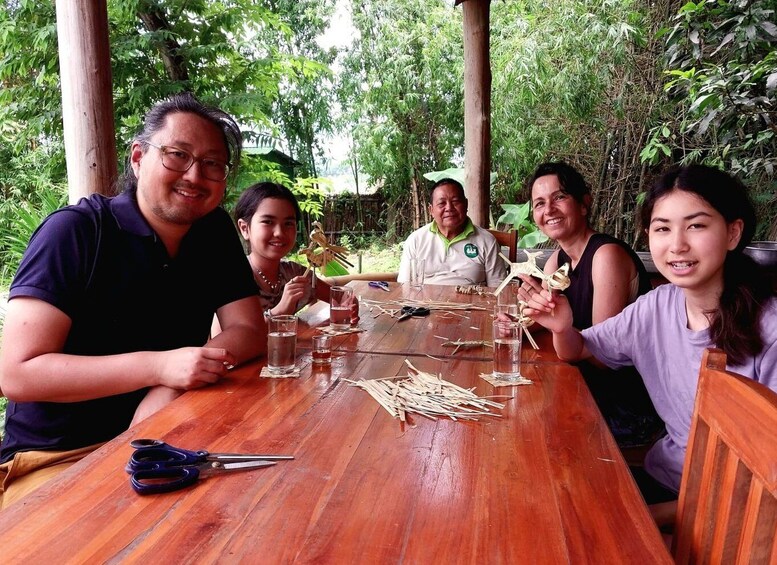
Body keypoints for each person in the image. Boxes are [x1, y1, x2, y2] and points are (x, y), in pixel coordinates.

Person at [0, 92, 265, 508]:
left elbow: (249, 329)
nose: (195, 176)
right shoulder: (75, 232)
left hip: (169, 432)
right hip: (58, 455)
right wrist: (159, 367)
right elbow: (18, 373)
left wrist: (170, 385)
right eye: (178, 155)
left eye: (212, 164)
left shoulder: (212, 231)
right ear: (139, 158)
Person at [519, 164, 777, 507]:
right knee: (538, 488)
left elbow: (761, 488)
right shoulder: (657, 307)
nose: (677, 245)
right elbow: (580, 348)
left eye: (696, 226)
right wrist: (562, 327)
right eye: (662, 229)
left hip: (725, 510)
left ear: (732, 233)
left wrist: (652, 520)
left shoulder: (769, 328)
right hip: (665, 478)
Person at [526, 162, 662, 448]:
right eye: (539, 203)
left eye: (559, 197)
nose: (548, 209)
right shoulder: (557, 259)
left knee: (532, 430)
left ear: (584, 204)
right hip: (581, 385)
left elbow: (602, 356)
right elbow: (546, 318)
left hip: (620, 405)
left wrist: (558, 327)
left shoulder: (606, 255)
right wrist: (519, 321)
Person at [225, 181, 359, 322]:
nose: (279, 233)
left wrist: (350, 303)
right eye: (268, 222)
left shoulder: (294, 273)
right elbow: (225, 335)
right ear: (245, 228)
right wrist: (280, 311)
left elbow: (342, 298)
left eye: (288, 223)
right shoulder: (234, 277)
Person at [397, 178, 506, 286]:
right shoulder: (416, 240)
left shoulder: (487, 241)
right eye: (441, 203)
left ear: (466, 204)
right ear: (431, 210)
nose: (449, 208)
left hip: (470, 302)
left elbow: (498, 288)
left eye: (455, 202)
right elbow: (404, 285)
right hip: (424, 302)